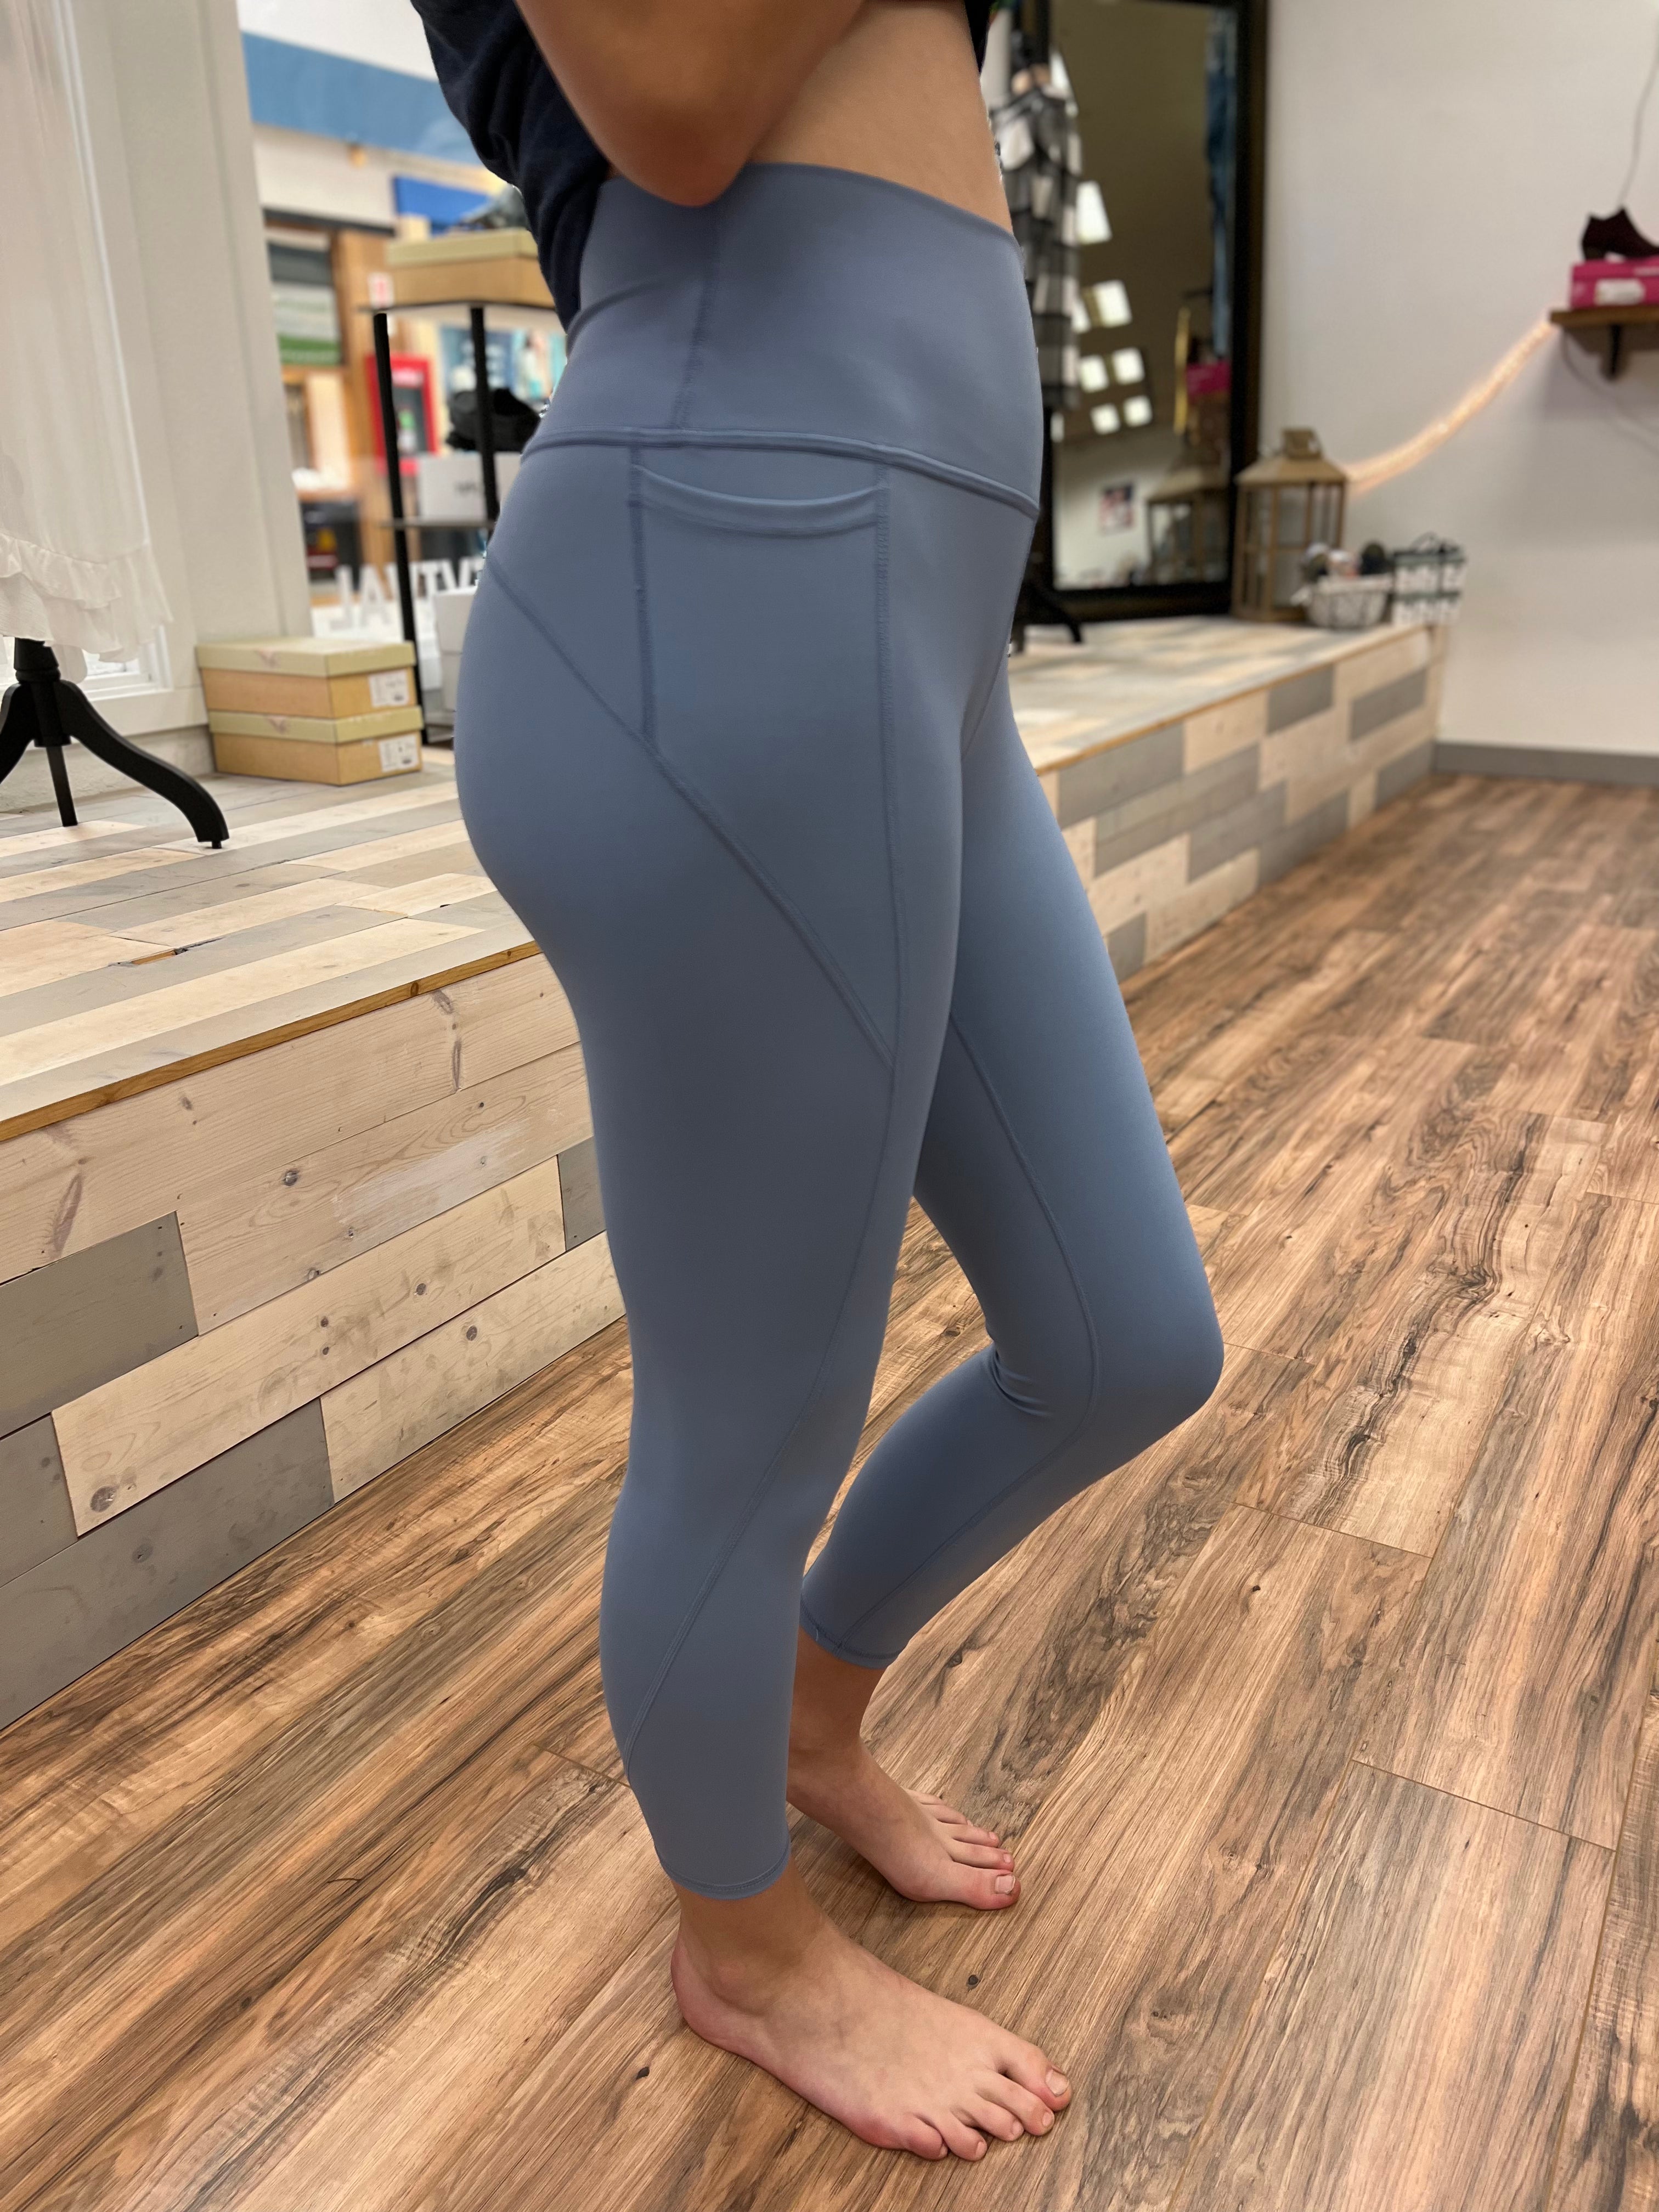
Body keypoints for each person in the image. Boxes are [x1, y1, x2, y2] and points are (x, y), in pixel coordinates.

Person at [413, 0, 1224, 2163]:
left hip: (901, 605)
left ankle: (801, 1713)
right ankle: (744, 1945)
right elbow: (676, 104)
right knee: (751, 1427)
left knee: (1124, 1338)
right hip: (729, 563)